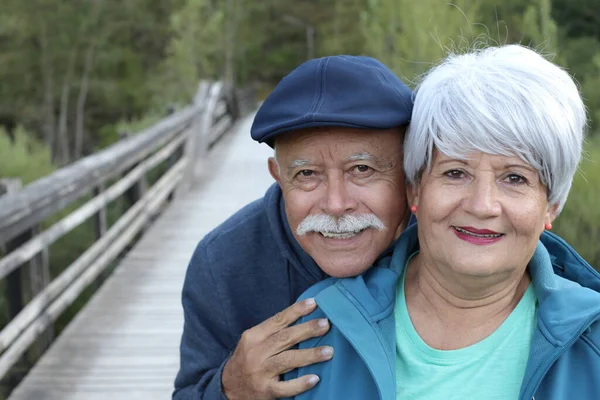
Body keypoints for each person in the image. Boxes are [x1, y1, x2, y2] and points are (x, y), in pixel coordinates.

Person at [286, 45, 600, 399]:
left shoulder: (594, 343)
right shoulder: (317, 327)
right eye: (455, 172)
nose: (482, 206)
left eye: (514, 178)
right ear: (415, 190)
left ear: (551, 206)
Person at [173, 55, 414, 399]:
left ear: (410, 171)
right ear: (278, 177)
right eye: (307, 174)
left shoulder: (443, 240)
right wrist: (229, 388)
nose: (335, 204)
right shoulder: (223, 263)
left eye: (362, 169)